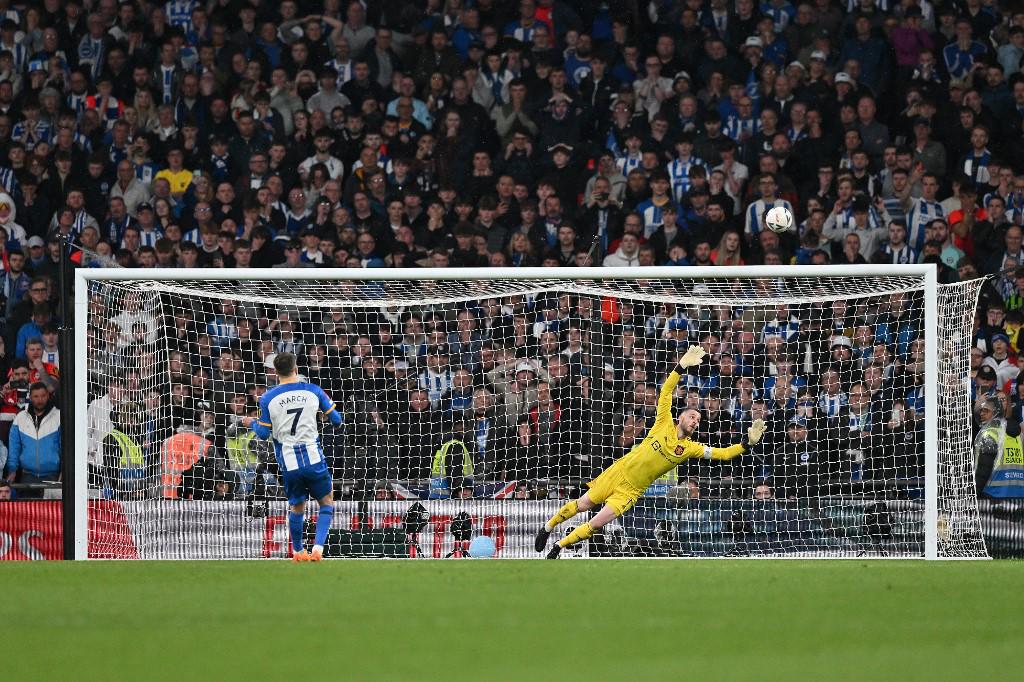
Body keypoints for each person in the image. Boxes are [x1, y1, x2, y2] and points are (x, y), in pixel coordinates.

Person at [534, 346, 766, 558]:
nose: (696, 421)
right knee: (582, 504)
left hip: (631, 492)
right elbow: (665, 391)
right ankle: (547, 528)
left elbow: (724, 454)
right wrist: (680, 366)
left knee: (596, 524)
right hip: (618, 471)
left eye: (699, 419)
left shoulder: (690, 448)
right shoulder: (663, 422)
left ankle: (558, 547)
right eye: (692, 416)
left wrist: (747, 443)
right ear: (681, 417)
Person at [245, 351, 343, 561]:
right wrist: (323, 416)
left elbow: (262, 434)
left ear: (275, 372)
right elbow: (337, 420)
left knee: (297, 506)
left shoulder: (268, 398)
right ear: (296, 368)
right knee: (326, 502)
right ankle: (317, 548)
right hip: (314, 458)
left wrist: (251, 423)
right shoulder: (313, 390)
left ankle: (298, 552)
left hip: (289, 463)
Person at [5, 382, 60, 499]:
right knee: (27, 514)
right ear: (30, 397)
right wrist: (12, 470)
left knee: (52, 515)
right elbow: (14, 447)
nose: (40, 400)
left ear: (48, 396)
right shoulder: (20, 417)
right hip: (28, 476)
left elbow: (66, 448)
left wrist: (64, 472)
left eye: (43, 395)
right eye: (36, 396)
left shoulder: (59, 417)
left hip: (52, 476)